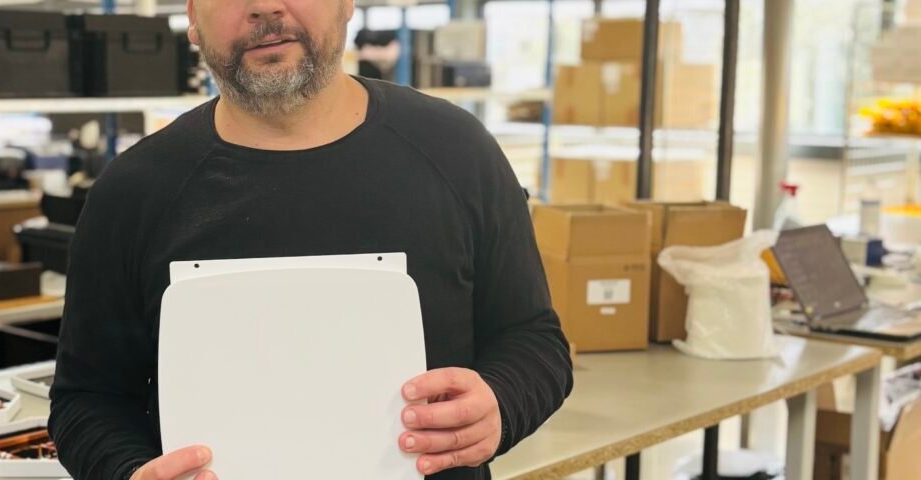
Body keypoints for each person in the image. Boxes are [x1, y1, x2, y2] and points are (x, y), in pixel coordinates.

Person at [47, 0, 574, 477]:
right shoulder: (132, 191)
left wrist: (499, 405)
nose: (263, 7)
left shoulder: (458, 152)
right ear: (192, 17)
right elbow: (86, 400)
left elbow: (533, 340)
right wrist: (129, 472)